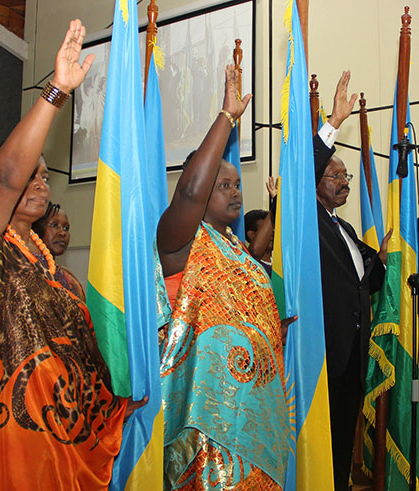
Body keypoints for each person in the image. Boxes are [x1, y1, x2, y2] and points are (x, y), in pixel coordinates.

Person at [0, 20, 141, 490]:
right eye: (29, 175)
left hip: (60, 450)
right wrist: (56, 90)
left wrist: (114, 407)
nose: (39, 182)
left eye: (44, 176)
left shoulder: (53, 269)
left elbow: (81, 359)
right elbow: (2, 178)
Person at [157, 65, 292, 490]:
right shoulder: (180, 242)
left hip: (256, 420)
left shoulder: (243, 255)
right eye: (223, 184)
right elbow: (188, 194)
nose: (235, 191)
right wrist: (227, 118)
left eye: (237, 185)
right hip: (204, 428)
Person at [314, 71, 391, 491]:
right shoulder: (310, 222)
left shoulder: (344, 229)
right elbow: (302, 171)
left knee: (342, 447)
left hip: (353, 358)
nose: (346, 183)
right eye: (336, 177)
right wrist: (333, 124)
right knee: (322, 448)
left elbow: (368, 284)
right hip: (326, 356)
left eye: (346, 178)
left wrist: (380, 259)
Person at [32, 201, 86, 300]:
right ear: (36, 228)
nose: (62, 233)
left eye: (66, 228)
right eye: (54, 225)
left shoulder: (68, 277)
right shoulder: (27, 270)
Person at [244, 177, 279, 275]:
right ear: (252, 234)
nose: (273, 233)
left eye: (274, 229)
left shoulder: (281, 264)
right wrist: (276, 202)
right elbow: (255, 252)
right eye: (267, 230)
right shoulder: (249, 264)